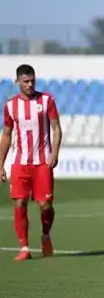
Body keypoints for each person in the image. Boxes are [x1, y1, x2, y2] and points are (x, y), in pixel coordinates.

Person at [0, 64, 62, 261]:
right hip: (20, 163)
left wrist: (55, 152)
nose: (30, 84)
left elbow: (56, 128)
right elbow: (7, 135)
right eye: (25, 81)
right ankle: (24, 248)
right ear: (17, 82)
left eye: (32, 81)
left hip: (42, 162)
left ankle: (45, 235)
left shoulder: (46, 101)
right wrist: (0, 164)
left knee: (45, 205)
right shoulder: (10, 106)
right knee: (20, 203)